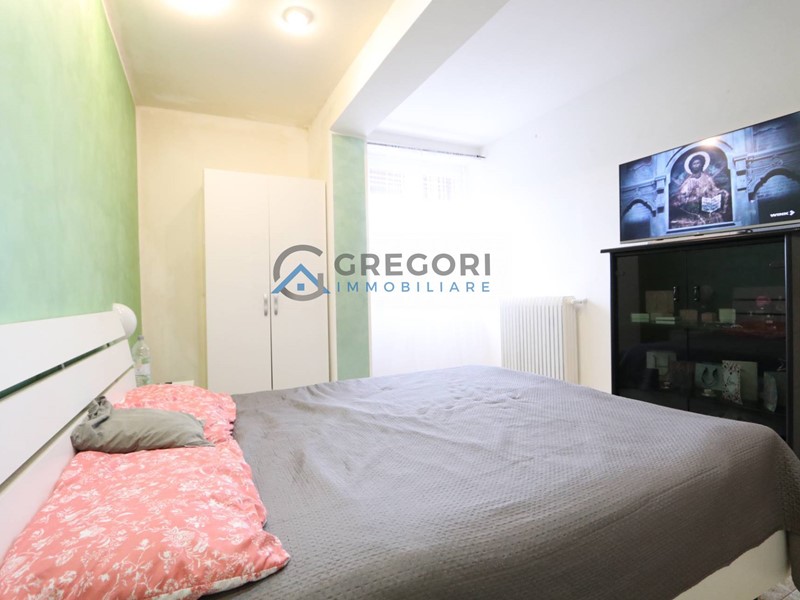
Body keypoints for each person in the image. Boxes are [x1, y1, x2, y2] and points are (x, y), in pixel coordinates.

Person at [673, 152, 729, 221]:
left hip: (707, 203)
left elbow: (714, 190)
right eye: (694, 164)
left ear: (701, 164)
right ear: (691, 166)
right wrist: (692, 193)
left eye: (698, 163)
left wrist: (720, 193)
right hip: (694, 204)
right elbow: (683, 195)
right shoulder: (688, 181)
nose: (696, 165)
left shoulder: (707, 178)